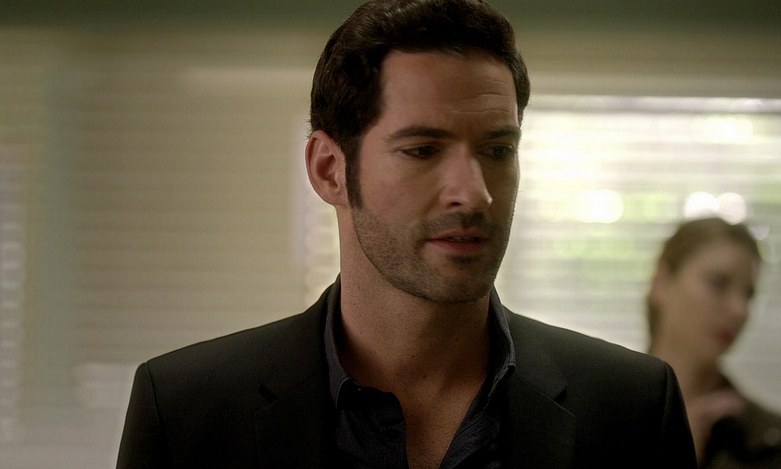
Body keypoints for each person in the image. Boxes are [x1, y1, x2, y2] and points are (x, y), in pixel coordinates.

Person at [116, 1, 697, 467]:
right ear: (329, 170)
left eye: (498, 151)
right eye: (423, 150)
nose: (474, 194)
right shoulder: (189, 411)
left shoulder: (631, 408)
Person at [647, 216, 781, 468]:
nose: (739, 310)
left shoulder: (771, 440)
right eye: (718, 283)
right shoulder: (605, 411)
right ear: (661, 282)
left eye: (748, 295)